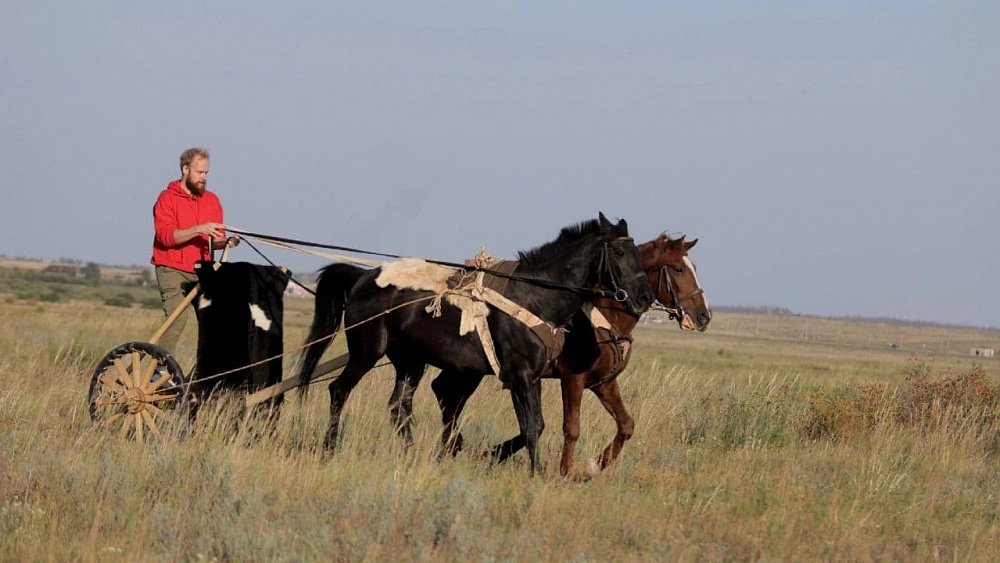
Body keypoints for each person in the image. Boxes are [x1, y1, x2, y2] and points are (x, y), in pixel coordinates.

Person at [151, 147, 235, 355]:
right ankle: (158, 371)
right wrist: (198, 229)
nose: (203, 178)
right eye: (199, 173)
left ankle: (202, 375)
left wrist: (226, 243)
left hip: (201, 271)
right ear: (185, 169)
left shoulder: (212, 201)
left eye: (206, 173)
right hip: (172, 268)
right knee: (177, 320)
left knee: (215, 322)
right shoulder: (167, 199)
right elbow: (166, 237)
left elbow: (213, 241)